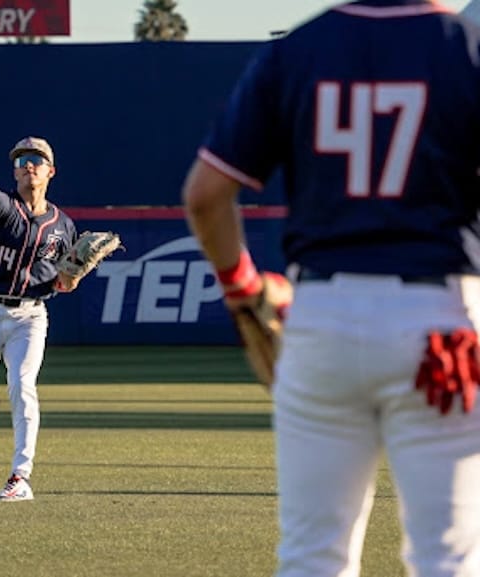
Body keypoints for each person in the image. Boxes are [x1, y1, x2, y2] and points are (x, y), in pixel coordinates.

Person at [182, 2, 480, 576]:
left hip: (320, 320)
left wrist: (241, 286)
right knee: (448, 559)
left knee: (312, 557)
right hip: (438, 324)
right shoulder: (465, 49)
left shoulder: (297, 49)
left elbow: (205, 194)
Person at [0, 136, 78, 502]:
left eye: (36, 159)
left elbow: (64, 281)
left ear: (50, 171)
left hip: (31, 316)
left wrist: (71, 278)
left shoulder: (63, 226)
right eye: (22, 159)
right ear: (15, 170)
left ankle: (20, 476)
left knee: (23, 386)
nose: (28, 165)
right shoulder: (4, 207)